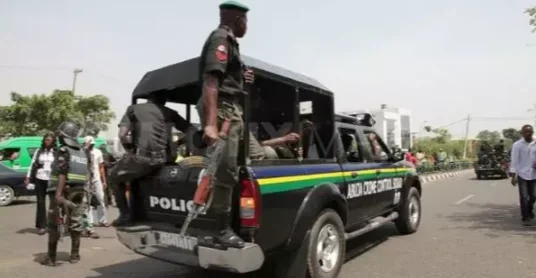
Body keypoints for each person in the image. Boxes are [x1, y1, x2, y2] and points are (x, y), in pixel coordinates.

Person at [195, 1, 252, 248]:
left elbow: (228, 78)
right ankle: (221, 229)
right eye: (245, 21)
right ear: (237, 19)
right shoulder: (221, 38)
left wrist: (243, 75)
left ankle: (228, 223)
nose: (247, 26)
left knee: (233, 168)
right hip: (222, 112)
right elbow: (211, 80)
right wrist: (210, 124)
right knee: (224, 172)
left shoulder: (230, 42)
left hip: (230, 110)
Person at [109, 92, 196, 226]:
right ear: (164, 100)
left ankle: (125, 216)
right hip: (163, 161)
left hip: (142, 158)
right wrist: (180, 143)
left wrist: (130, 150)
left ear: (149, 98)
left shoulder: (133, 109)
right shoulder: (169, 112)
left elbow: (122, 135)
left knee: (113, 177)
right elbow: (191, 129)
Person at [41, 121, 89, 266]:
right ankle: (75, 255)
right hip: (79, 191)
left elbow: (62, 172)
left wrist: (58, 194)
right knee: (76, 223)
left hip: (62, 191)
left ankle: (51, 257)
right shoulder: (82, 152)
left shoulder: (63, 151)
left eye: (60, 135)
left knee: (54, 223)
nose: (58, 138)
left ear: (64, 136)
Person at [25, 133, 56, 235]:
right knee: (41, 202)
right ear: (43, 141)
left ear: (53, 141)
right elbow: (32, 164)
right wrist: (28, 177)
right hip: (40, 177)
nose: (48, 142)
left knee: (54, 202)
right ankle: (42, 226)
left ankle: (54, 225)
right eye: (46, 140)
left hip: (51, 179)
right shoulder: (39, 151)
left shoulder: (56, 152)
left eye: (50, 140)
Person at [510, 124, 536, 226]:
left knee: (534, 196)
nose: (528, 133)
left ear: (532, 132)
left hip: (534, 174)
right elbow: (514, 161)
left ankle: (529, 210)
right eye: (526, 132)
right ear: (522, 133)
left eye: (530, 132)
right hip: (522, 174)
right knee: (524, 197)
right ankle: (525, 217)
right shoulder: (517, 145)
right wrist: (513, 176)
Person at [83, 136, 108, 232]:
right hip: (86, 180)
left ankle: (102, 220)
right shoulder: (83, 152)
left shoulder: (98, 152)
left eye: (92, 144)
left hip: (96, 179)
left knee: (101, 199)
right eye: (89, 144)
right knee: (87, 201)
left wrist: (104, 180)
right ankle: (90, 221)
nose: (91, 145)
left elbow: (101, 167)